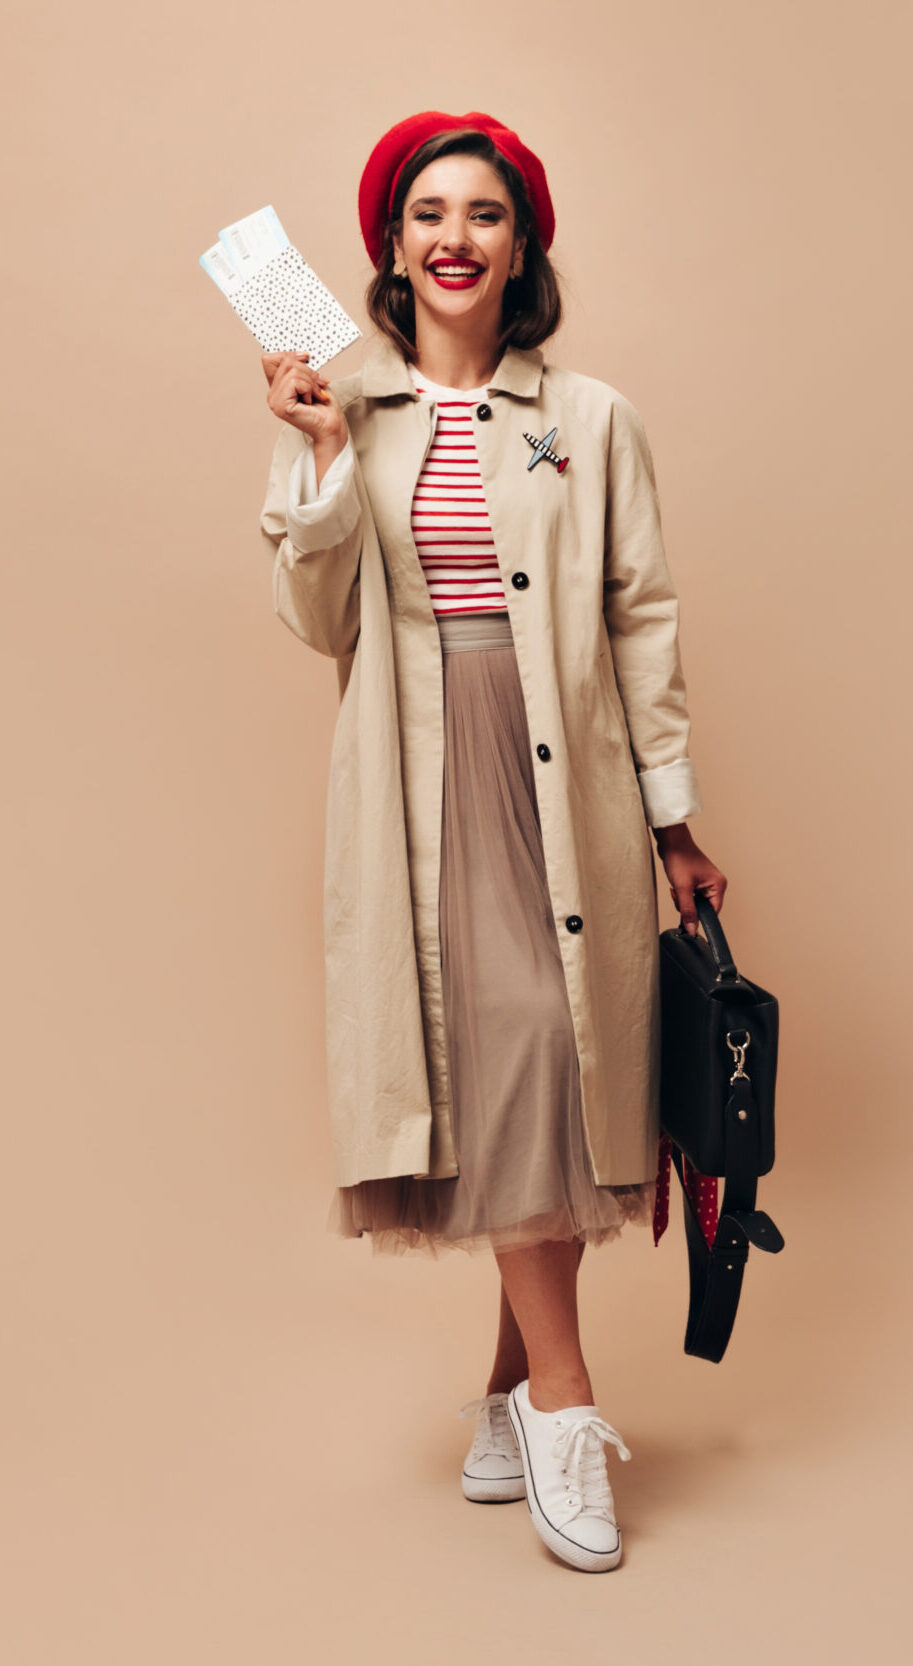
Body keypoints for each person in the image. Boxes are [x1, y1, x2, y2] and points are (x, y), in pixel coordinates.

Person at [258, 110, 727, 1573]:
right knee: (515, 1050)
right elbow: (317, 621)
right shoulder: (345, 409)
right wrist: (325, 460)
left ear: (520, 246)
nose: (453, 238)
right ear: (390, 250)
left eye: (483, 214)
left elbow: (638, 619)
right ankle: (565, 1411)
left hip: (563, 776)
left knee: (551, 1055)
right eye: (425, 215)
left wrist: (672, 823)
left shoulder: (589, 418)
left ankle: (513, 1396)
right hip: (418, 780)